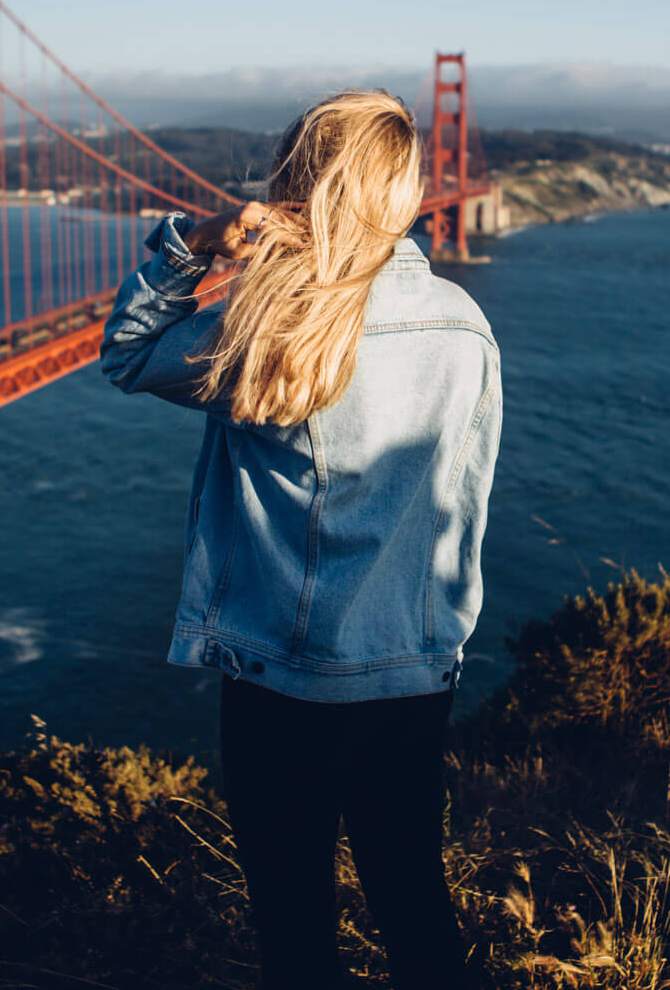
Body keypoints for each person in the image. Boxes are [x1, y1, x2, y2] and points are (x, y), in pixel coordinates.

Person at [100, 89, 501, 989]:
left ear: (297, 187)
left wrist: (193, 241)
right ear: (404, 194)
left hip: (281, 683)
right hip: (411, 678)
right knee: (414, 905)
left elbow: (128, 352)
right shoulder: (467, 329)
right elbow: (463, 505)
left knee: (295, 927)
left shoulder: (266, 325)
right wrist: (439, 642)